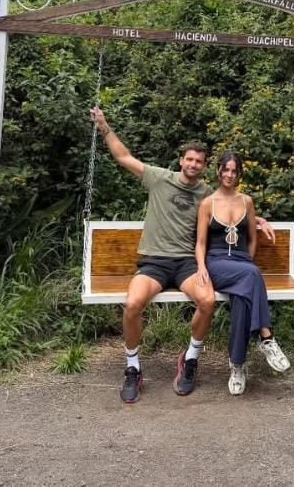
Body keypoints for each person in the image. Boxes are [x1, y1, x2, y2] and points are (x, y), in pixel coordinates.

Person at [90, 107, 216, 404]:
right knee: (132, 304)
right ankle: (133, 368)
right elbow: (124, 157)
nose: (193, 164)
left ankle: (190, 360)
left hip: (186, 262)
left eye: (199, 161)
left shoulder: (207, 193)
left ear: (204, 166)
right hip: (155, 261)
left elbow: (232, 205)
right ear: (181, 161)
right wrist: (105, 127)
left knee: (208, 301)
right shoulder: (159, 178)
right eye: (189, 159)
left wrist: (257, 219)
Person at [194, 151, 291, 396]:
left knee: (242, 299)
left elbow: (252, 238)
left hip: (241, 263)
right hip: (216, 263)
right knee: (251, 275)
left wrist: (246, 260)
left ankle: (236, 366)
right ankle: (266, 338)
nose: (229, 174)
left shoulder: (246, 201)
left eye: (234, 171)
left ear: (239, 175)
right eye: (225, 169)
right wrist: (202, 267)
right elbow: (201, 244)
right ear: (217, 170)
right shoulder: (208, 203)